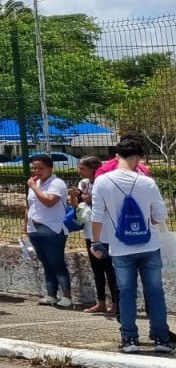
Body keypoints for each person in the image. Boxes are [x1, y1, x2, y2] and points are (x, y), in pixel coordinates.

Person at [90, 137, 171, 354]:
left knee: (126, 292)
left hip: (120, 247)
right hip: (149, 245)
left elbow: (97, 215)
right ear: (138, 158)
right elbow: (159, 216)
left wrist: (97, 241)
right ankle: (161, 338)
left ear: (116, 156)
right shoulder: (147, 182)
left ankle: (130, 339)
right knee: (154, 291)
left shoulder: (103, 181)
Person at [25, 154, 74, 309]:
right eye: (35, 168)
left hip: (52, 228)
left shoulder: (56, 183)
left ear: (50, 168)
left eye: (41, 168)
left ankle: (67, 296)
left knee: (56, 262)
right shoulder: (36, 183)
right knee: (46, 262)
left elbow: (49, 202)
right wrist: (25, 227)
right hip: (34, 228)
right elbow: (29, 206)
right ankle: (51, 294)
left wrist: (34, 187)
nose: (37, 171)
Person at [71, 157, 117, 315]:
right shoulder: (84, 183)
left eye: (82, 168)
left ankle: (116, 304)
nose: (79, 171)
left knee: (109, 270)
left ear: (93, 169)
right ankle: (101, 302)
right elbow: (78, 208)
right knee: (96, 269)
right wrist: (75, 196)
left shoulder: (104, 182)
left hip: (104, 233)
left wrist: (92, 199)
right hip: (89, 231)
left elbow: (109, 204)